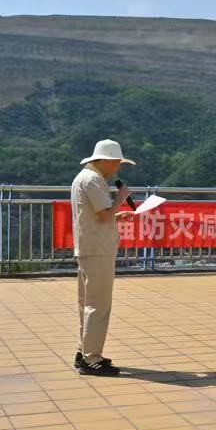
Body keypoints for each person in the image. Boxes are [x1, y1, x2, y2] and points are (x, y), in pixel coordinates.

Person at [71, 139, 136, 376]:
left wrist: (117, 215)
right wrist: (121, 197)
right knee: (98, 305)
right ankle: (92, 358)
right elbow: (103, 215)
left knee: (87, 303)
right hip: (97, 250)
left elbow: (96, 215)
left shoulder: (84, 177)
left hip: (88, 248)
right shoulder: (93, 180)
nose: (117, 168)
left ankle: (84, 352)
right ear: (107, 160)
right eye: (117, 163)